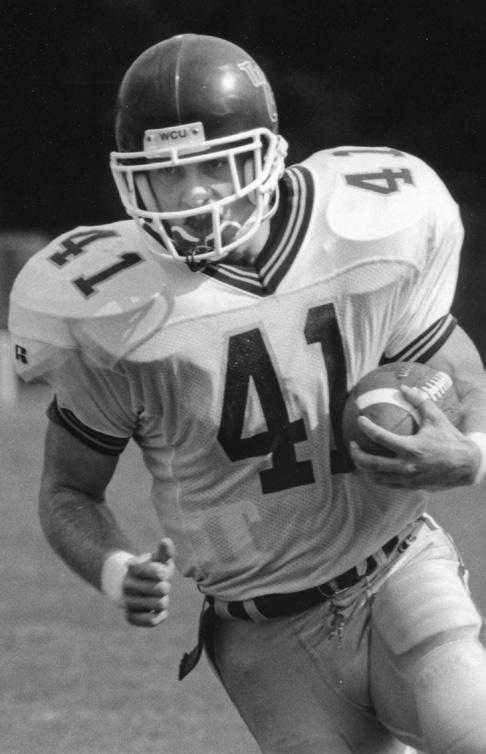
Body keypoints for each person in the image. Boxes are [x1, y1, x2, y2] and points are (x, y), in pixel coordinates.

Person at [8, 32, 486, 754]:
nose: (193, 195)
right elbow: (69, 489)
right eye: (168, 176)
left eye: (214, 166)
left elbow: (449, 356)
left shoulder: (365, 227)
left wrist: (470, 451)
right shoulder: (110, 309)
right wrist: (114, 569)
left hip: (396, 567)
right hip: (260, 634)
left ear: (266, 154)